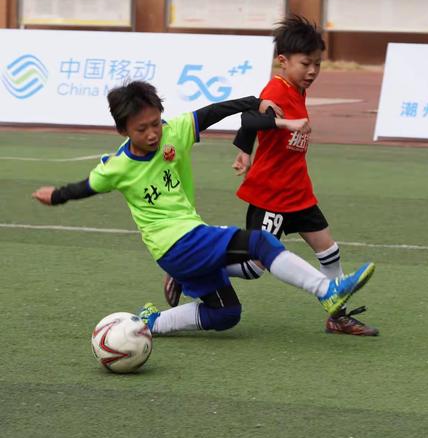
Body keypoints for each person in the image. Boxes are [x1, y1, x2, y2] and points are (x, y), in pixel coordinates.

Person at [32, 80, 375, 336]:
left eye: (155, 123)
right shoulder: (117, 166)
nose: (153, 133)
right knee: (260, 244)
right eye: (142, 129)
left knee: (226, 313)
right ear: (123, 130)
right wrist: (57, 195)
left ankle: (152, 323)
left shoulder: (172, 132)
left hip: (182, 247)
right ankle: (326, 291)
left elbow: (213, 111)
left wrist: (258, 101)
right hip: (176, 242)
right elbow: (86, 187)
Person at [228, 15, 379, 336]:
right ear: (283, 61)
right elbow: (251, 119)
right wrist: (257, 139)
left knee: (329, 249)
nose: (312, 71)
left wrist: (244, 150)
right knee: (255, 266)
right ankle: (191, 271)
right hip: (271, 194)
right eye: (305, 63)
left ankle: (338, 316)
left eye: (318, 65)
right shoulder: (277, 89)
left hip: (297, 191)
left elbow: (253, 128)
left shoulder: (296, 88)